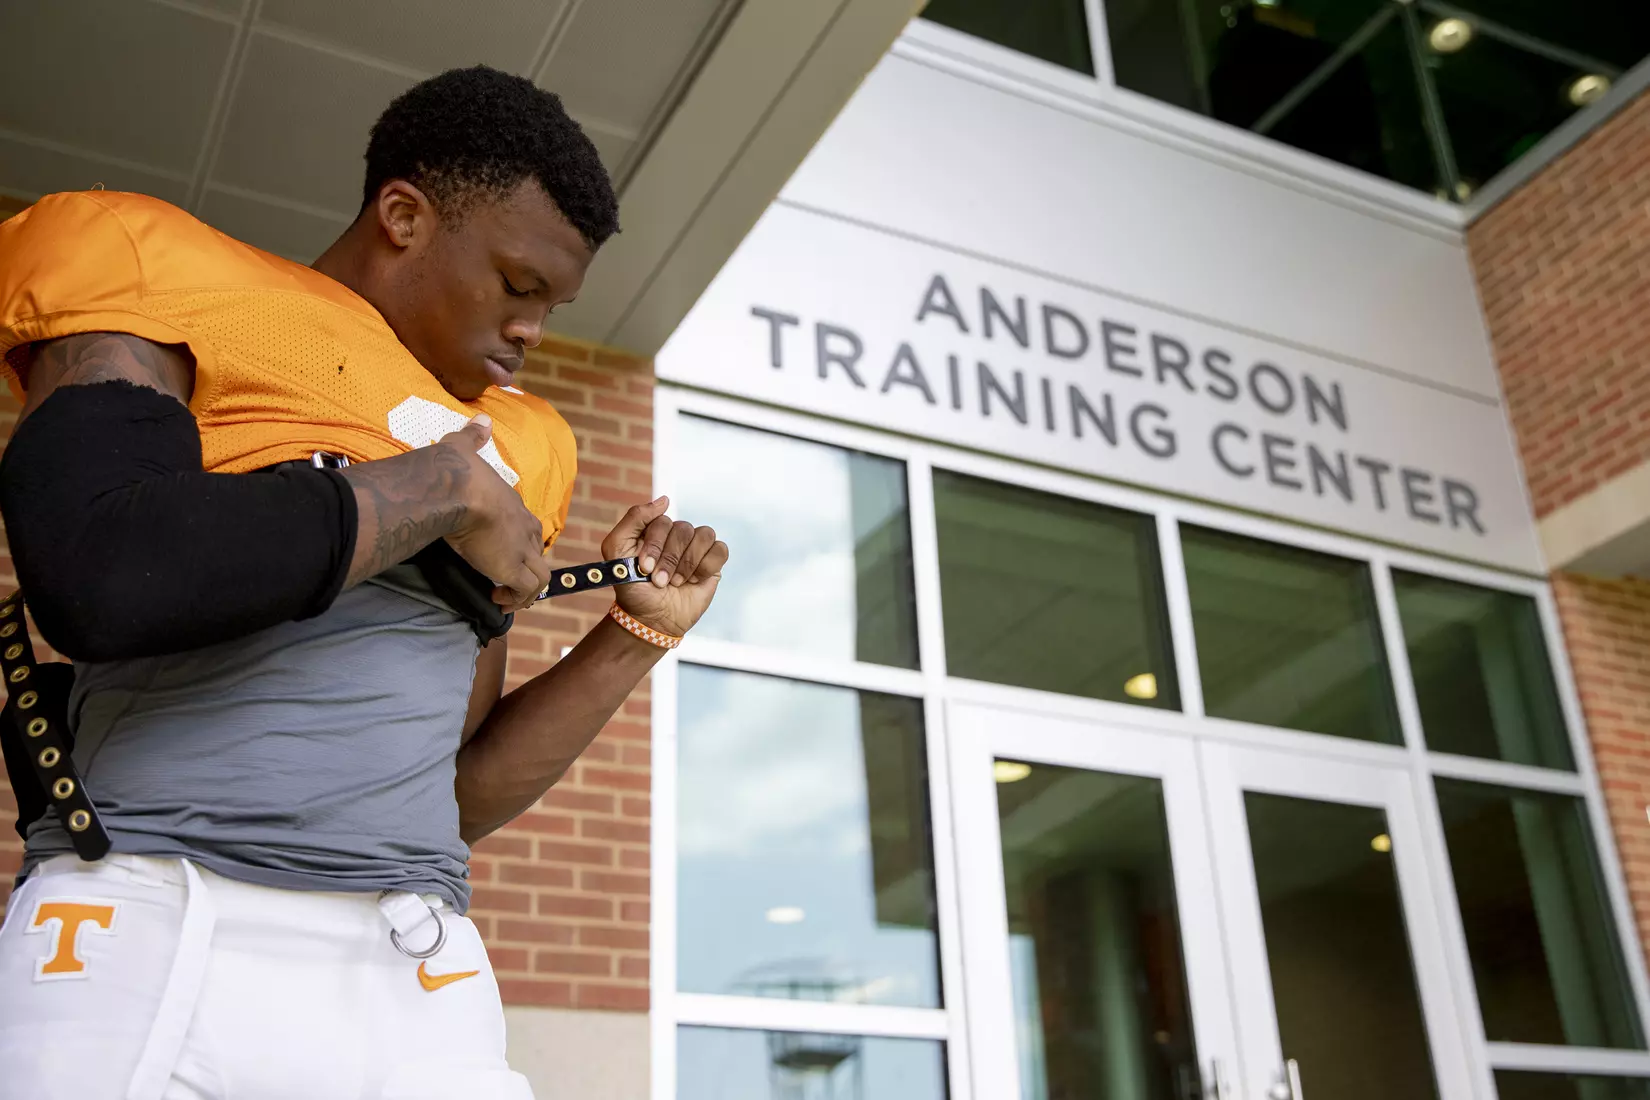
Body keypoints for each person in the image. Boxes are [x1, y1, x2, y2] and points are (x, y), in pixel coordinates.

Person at [0, 66, 726, 1099]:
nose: (532, 329)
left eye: (554, 305)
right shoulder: (164, 275)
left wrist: (634, 635)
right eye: (519, 286)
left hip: (412, 951)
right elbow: (98, 575)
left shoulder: (520, 447)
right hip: (157, 908)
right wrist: (436, 485)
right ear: (403, 215)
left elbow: (453, 793)